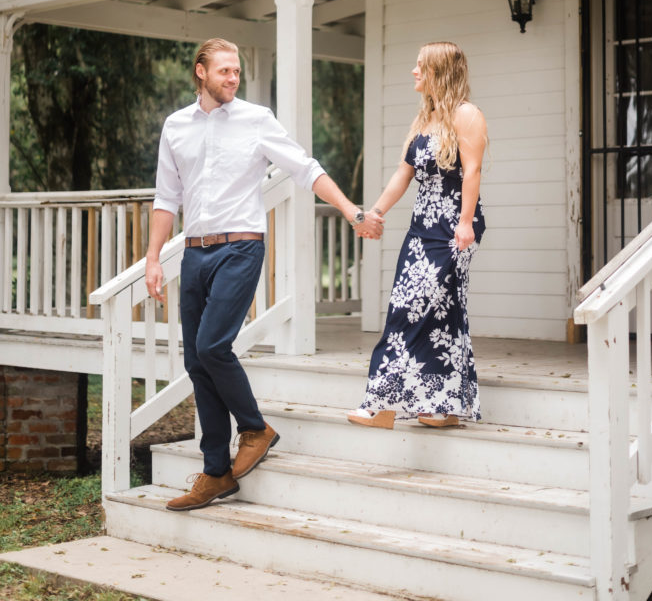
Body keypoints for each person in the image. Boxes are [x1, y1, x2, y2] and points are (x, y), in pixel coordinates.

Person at [145, 38, 383, 511]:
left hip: (241, 248)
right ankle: (215, 472)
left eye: (236, 72)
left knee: (213, 345)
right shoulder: (176, 127)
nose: (233, 79)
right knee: (196, 362)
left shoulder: (256, 120)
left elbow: (305, 168)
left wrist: (352, 211)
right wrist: (153, 258)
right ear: (201, 72)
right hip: (194, 253)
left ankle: (254, 428)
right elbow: (166, 198)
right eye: (224, 72)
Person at [347, 41, 486, 430]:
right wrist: (375, 211)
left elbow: (472, 171)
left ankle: (380, 403)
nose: (414, 71)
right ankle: (439, 406)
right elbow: (402, 176)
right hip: (421, 228)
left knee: (420, 310)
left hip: (452, 229)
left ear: (440, 71)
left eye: (421, 65)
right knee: (429, 313)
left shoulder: (467, 115)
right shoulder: (425, 120)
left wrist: (465, 223)